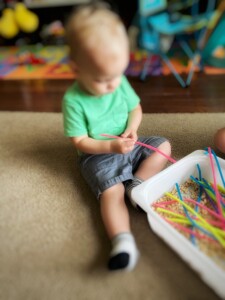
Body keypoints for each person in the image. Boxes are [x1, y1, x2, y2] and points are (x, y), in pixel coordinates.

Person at [62, 2, 171, 272]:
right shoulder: (73, 100)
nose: (112, 85)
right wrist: (110, 146)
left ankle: (138, 186)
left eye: (117, 75)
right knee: (112, 192)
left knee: (163, 146)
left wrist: (133, 128)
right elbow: (79, 141)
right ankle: (122, 241)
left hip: (128, 142)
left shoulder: (118, 81)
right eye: (102, 79)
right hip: (98, 154)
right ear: (76, 69)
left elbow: (135, 108)